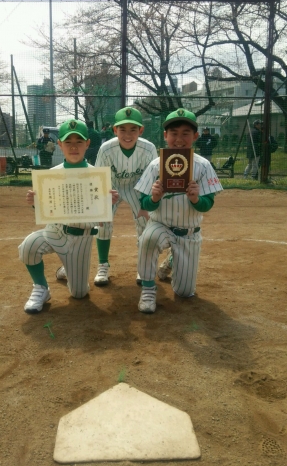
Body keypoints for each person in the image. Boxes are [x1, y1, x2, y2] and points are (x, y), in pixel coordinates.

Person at [18, 119, 118, 314]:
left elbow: (103, 219)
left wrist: (108, 203)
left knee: (79, 294)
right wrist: (35, 204)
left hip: (82, 238)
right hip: (56, 232)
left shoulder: (98, 176)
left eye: (79, 142)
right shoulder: (50, 176)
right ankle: (41, 288)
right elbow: (46, 212)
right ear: (60, 145)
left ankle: (67, 269)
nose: (74, 146)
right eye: (68, 142)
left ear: (87, 144)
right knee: (29, 246)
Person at [134, 108, 223, 314]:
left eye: (186, 133)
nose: (179, 138)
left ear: (195, 136)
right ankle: (148, 289)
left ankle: (172, 260)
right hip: (161, 224)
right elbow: (144, 203)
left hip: (189, 232)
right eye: (174, 133)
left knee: (184, 292)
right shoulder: (156, 165)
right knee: (148, 238)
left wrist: (196, 199)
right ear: (165, 136)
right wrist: (154, 198)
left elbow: (208, 204)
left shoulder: (203, 165)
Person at [93, 106, 158, 286]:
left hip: (138, 187)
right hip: (111, 187)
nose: (127, 134)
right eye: (122, 129)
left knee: (145, 222)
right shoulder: (106, 149)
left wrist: (145, 205)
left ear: (141, 130)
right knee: (103, 221)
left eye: (133, 129)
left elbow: (151, 179)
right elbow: (99, 178)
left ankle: (142, 267)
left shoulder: (149, 148)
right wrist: (105, 198)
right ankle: (103, 264)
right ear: (115, 130)